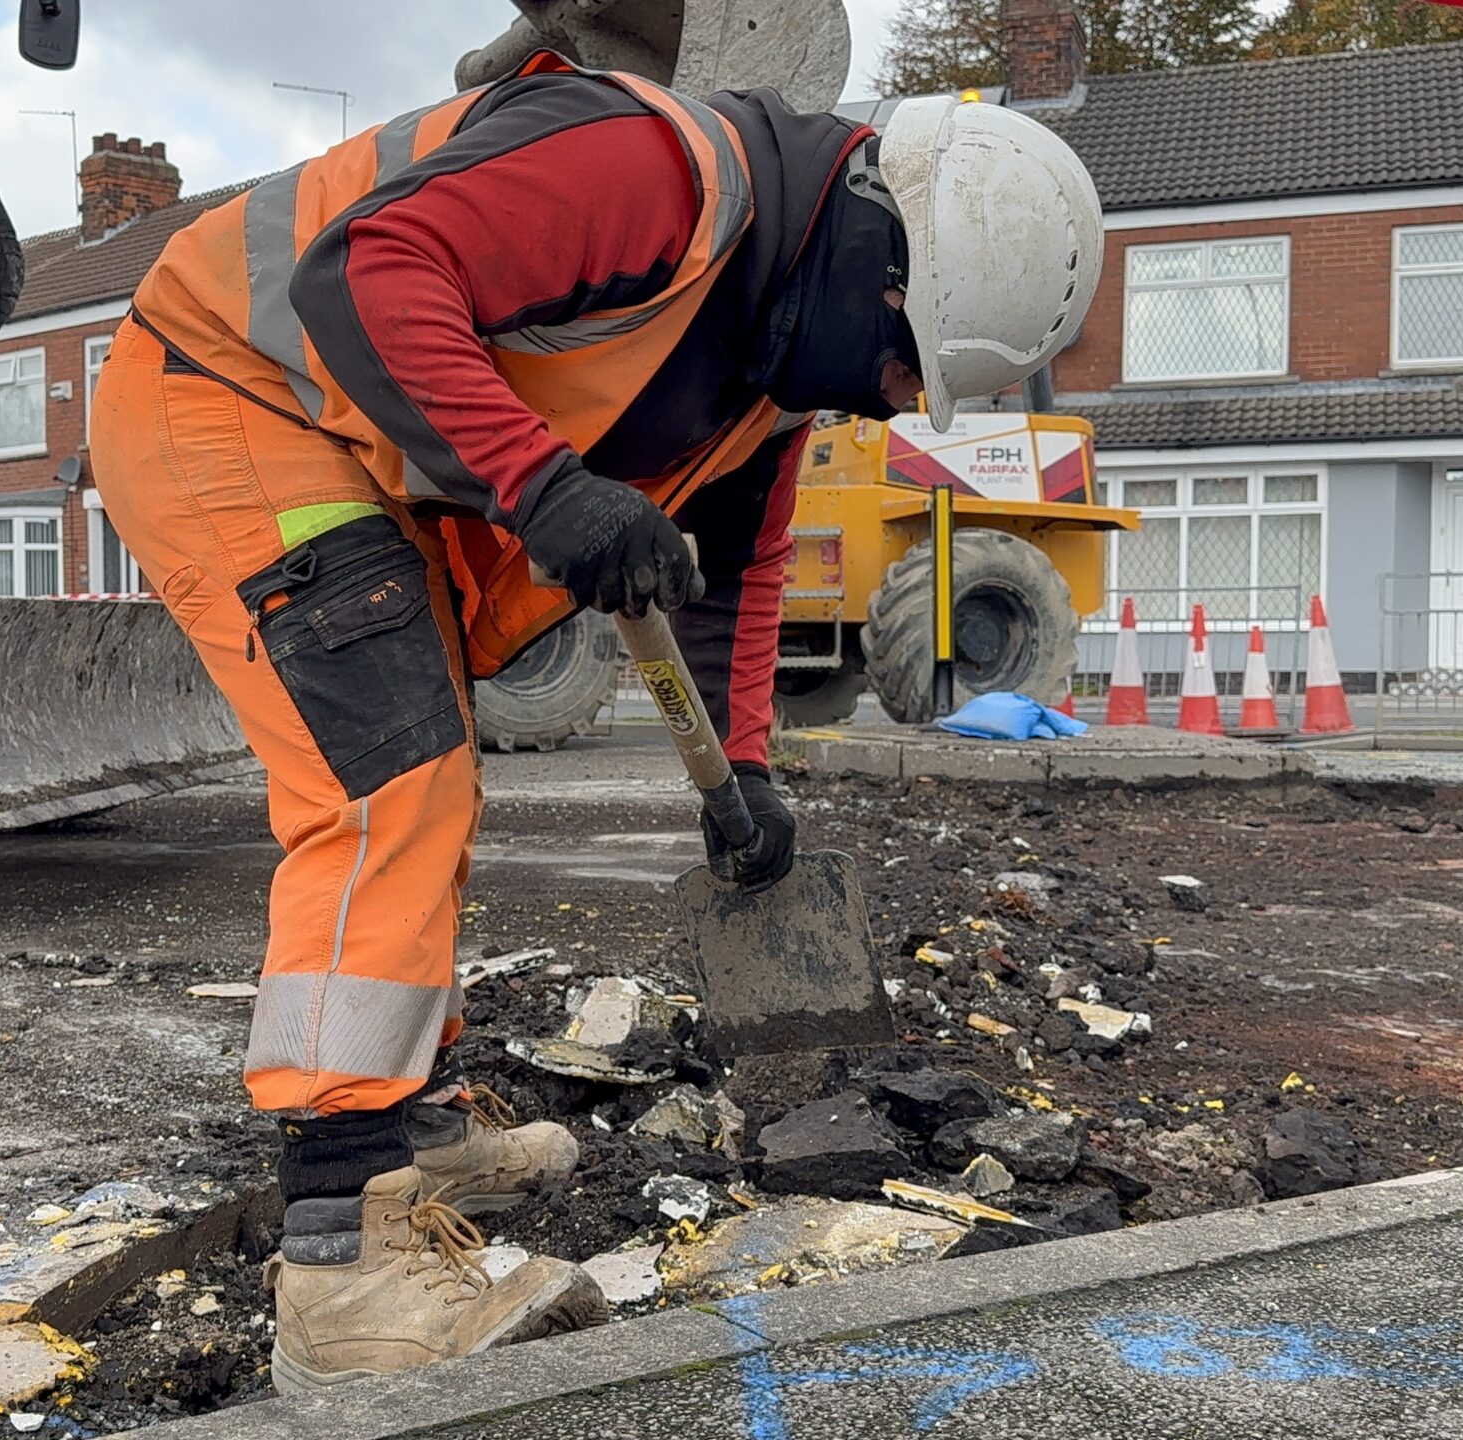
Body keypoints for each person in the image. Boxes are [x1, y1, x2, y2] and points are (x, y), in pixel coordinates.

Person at [88, 56, 1100, 1393]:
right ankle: (343, 1270)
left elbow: (733, 573)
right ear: (877, 263)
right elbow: (367, 272)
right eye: (907, 366)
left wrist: (741, 771)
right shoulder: (652, 169)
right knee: (393, 787)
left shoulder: (774, 372)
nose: (899, 400)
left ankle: (416, 1122)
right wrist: (545, 487)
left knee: (430, 780)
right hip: (231, 396)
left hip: (353, 451)